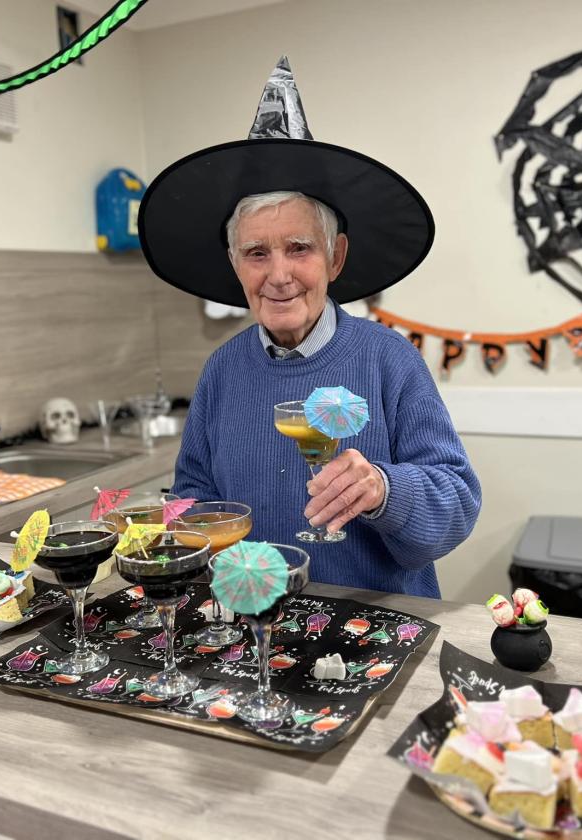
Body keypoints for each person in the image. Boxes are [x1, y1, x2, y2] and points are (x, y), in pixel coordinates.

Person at [138, 58, 480, 597]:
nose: (278, 276)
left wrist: (386, 490)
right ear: (235, 266)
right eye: (256, 253)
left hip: (379, 628)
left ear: (334, 257)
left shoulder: (389, 359)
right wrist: (166, 526)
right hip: (252, 625)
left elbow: (457, 503)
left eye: (299, 248)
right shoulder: (224, 370)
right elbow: (195, 496)